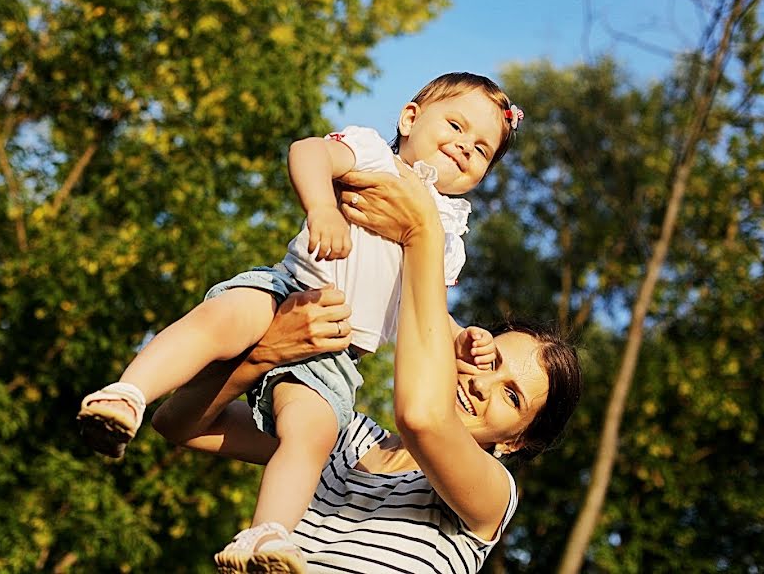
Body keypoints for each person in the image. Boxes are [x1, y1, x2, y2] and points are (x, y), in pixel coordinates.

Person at [77, 73, 526, 567]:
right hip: (284, 294)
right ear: (409, 118)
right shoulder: (375, 155)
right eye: (457, 126)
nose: (465, 147)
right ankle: (126, 395)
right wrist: (321, 207)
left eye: (482, 149)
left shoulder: (445, 236)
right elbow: (307, 151)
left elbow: (425, 310)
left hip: (336, 358)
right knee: (221, 319)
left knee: (310, 438)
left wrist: (459, 336)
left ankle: (267, 536)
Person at [151, 166, 582, 573]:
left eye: (511, 396)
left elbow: (421, 418)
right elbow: (179, 423)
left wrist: (422, 234)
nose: (481, 385)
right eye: (491, 362)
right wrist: (262, 357)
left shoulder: (491, 496)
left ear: (516, 440)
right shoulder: (338, 437)